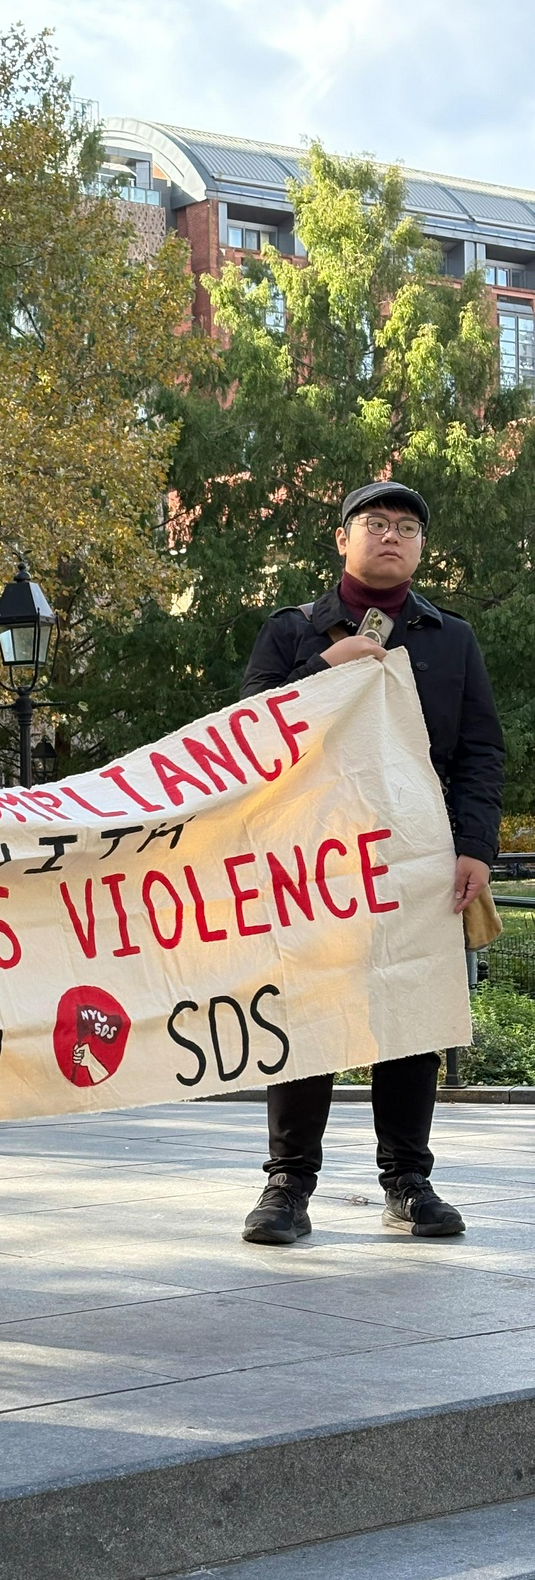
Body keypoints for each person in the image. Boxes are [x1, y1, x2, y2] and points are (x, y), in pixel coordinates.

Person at [239, 481, 504, 1246]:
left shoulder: (450, 639)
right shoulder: (293, 632)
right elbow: (245, 736)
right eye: (376, 523)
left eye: (407, 528)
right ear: (342, 538)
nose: (392, 536)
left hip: (417, 860)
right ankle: (288, 1185)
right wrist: (325, 666)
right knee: (309, 1009)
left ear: (420, 549)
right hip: (313, 859)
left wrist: (474, 847)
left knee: (410, 1015)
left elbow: (480, 753)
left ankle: (408, 1181)